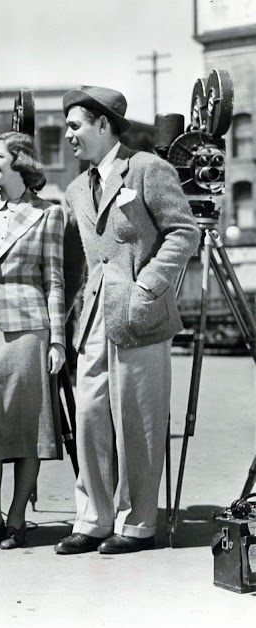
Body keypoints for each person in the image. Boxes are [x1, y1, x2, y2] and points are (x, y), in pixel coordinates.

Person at [54, 86, 200, 555]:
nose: (68, 135)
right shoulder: (76, 189)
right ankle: (93, 519)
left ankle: (138, 522)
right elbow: (81, 259)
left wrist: (147, 287)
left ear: (103, 125)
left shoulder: (147, 169)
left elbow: (184, 232)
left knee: (138, 420)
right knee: (90, 416)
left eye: (75, 125)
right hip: (94, 318)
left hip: (140, 314)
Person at [0, 131, 66, 550]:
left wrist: (58, 341)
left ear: (19, 161)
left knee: (28, 425)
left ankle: (17, 518)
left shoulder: (49, 213)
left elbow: (54, 280)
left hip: (29, 328)